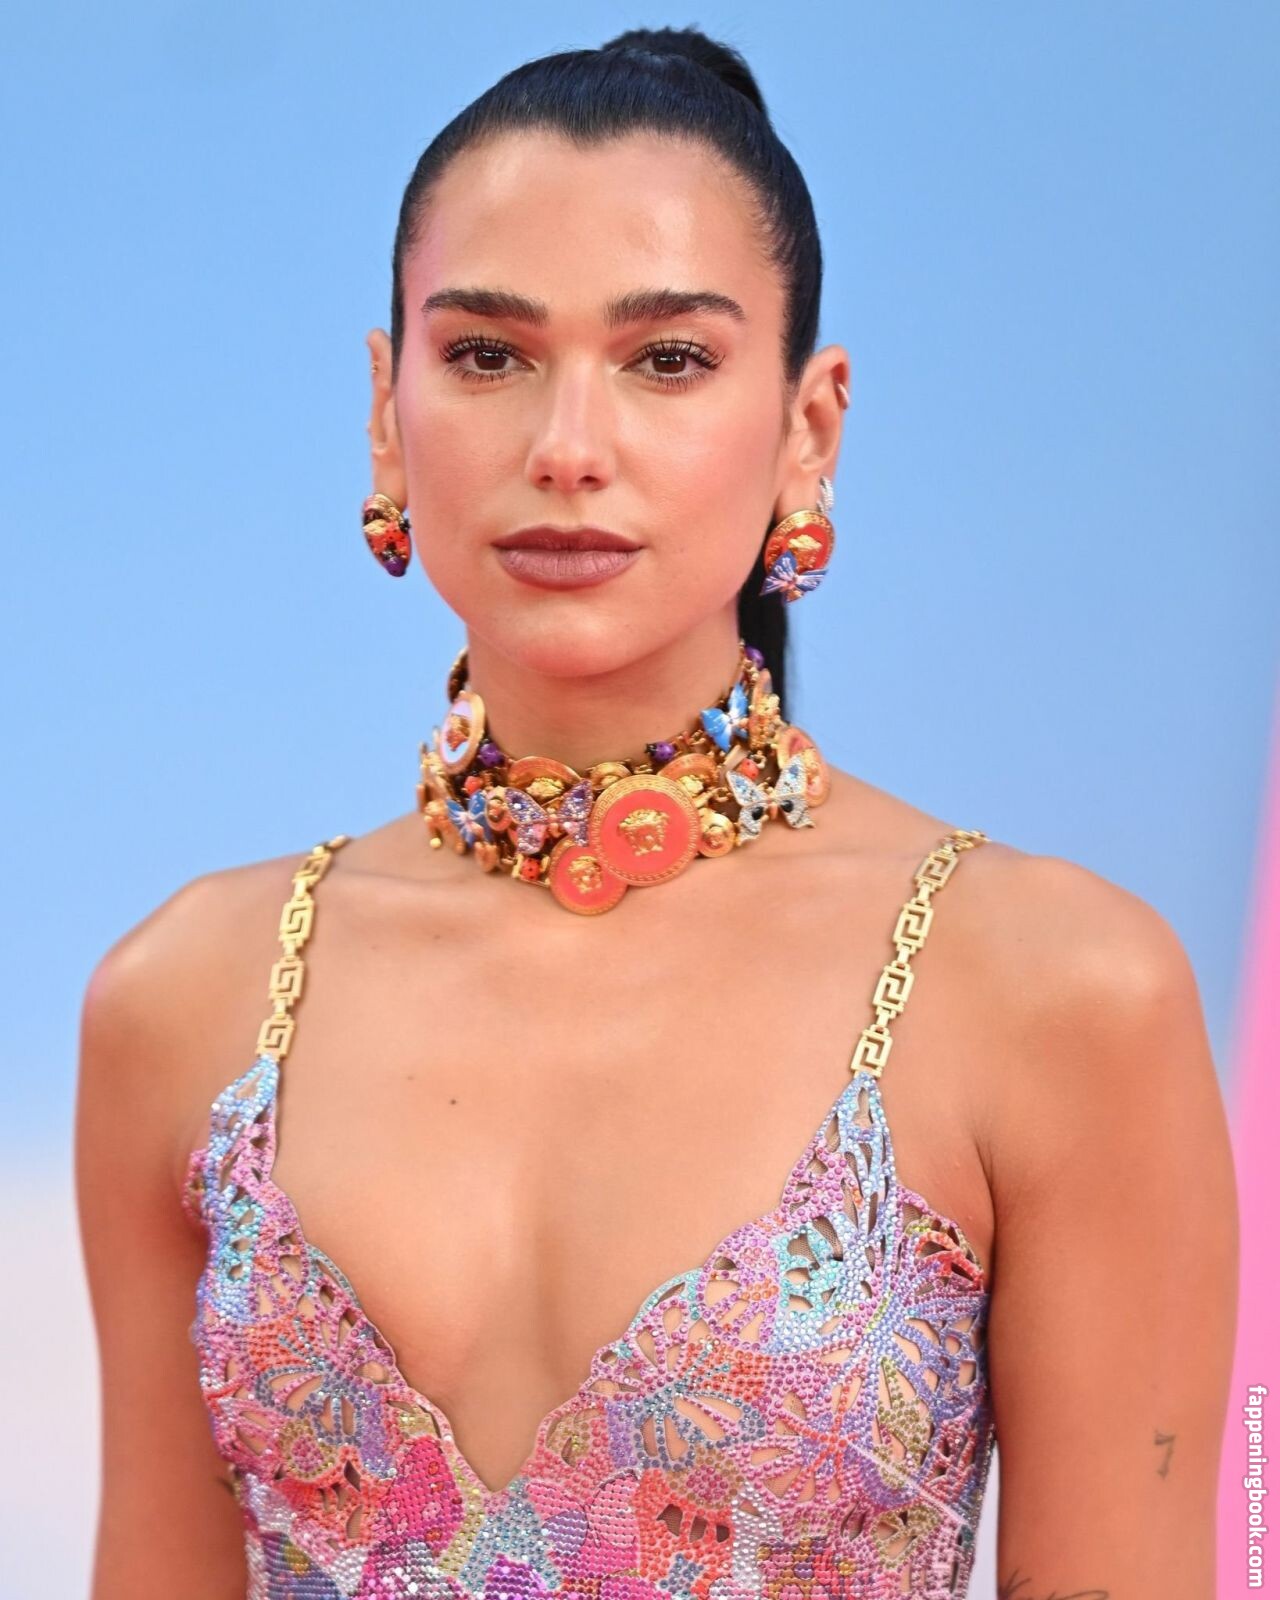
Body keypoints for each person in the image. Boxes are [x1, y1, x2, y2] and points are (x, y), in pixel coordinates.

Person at [75, 25, 1238, 1600]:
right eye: (487, 355)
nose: (568, 450)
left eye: (668, 359)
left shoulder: (1056, 991)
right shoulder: (186, 1001)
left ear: (809, 429)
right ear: (386, 411)